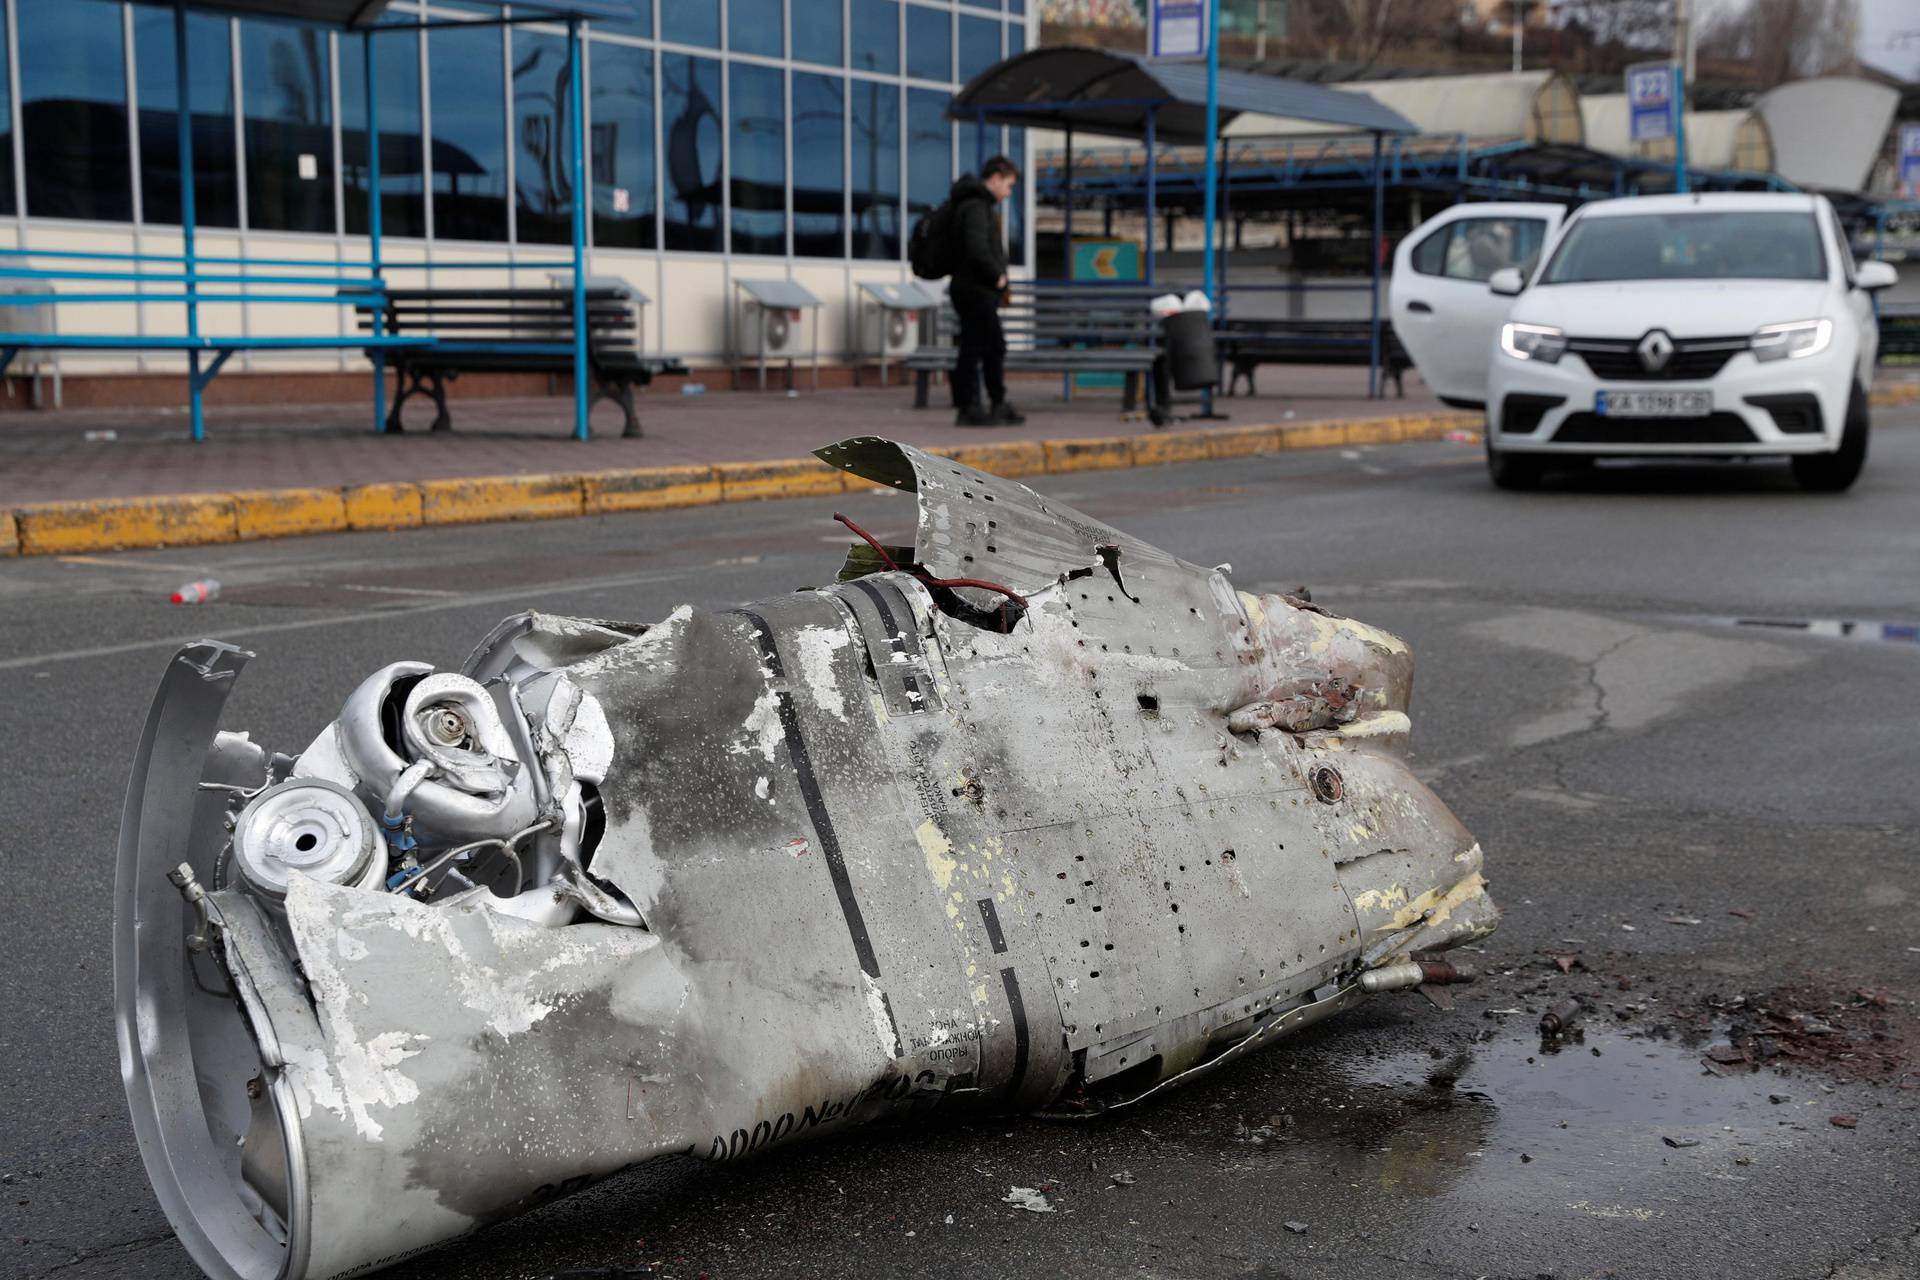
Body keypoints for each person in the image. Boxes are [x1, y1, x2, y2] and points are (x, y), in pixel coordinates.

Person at [947, 156, 1025, 427]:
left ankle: (996, 403)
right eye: (1009, 184)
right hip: (975, 290)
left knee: (992, 346)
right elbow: (977, 247)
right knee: (975, 347)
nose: (1009, 191)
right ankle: (968, 407)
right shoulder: (976, 207)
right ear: (995, 178)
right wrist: (998, 276)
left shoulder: (977, 205)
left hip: (975, 290)